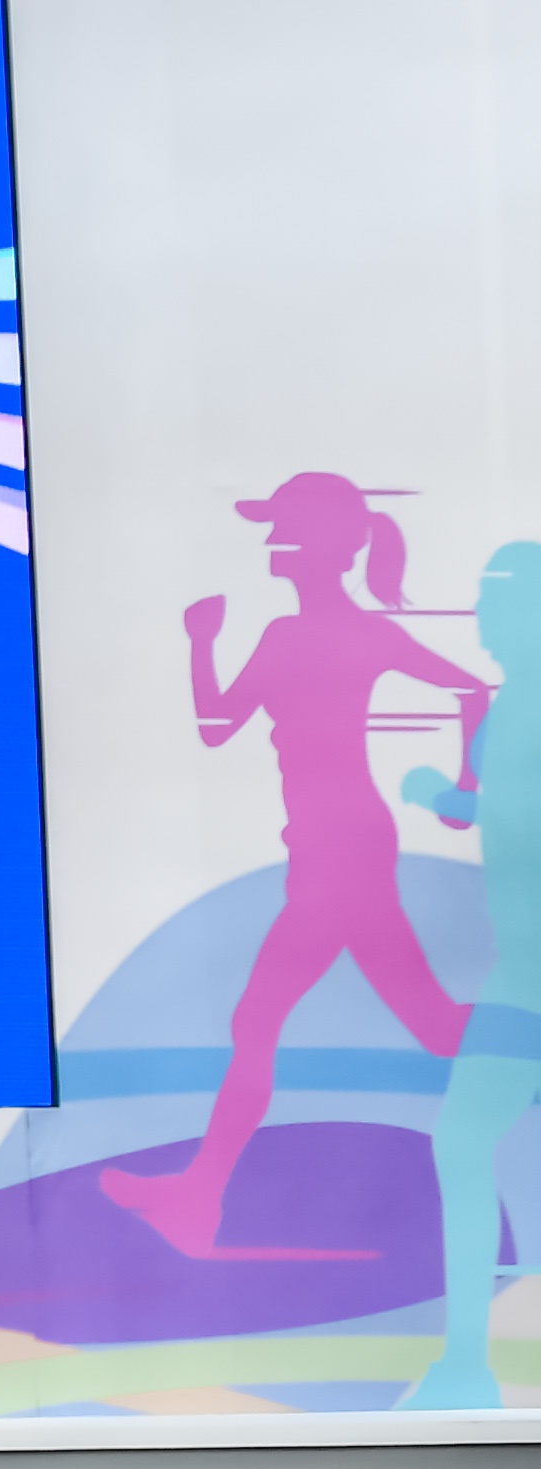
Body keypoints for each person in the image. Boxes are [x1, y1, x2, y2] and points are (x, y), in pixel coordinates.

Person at [103, 471, 482, 1257]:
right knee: (431, 1025)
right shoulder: (298, 633)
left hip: (341, 853)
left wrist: (463, 789)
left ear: (322, 545)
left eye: (283, 529)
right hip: (331, 848)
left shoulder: (321, 634)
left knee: (266, 1020)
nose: (271, 543)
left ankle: (197, 1200)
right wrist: (201, 643)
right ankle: (197, 1198)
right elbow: (217, 727)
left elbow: (470, 691)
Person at [400, 538, 538, 1409]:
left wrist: (447, 797)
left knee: (461, 1141)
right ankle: (461, 1366)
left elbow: (515, 813)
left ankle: (463, 1365)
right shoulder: (502, 704)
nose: (479, 615)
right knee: (459, 1142)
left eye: (494, 599)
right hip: (519, 976)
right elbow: (495, 810)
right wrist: (440, 796)